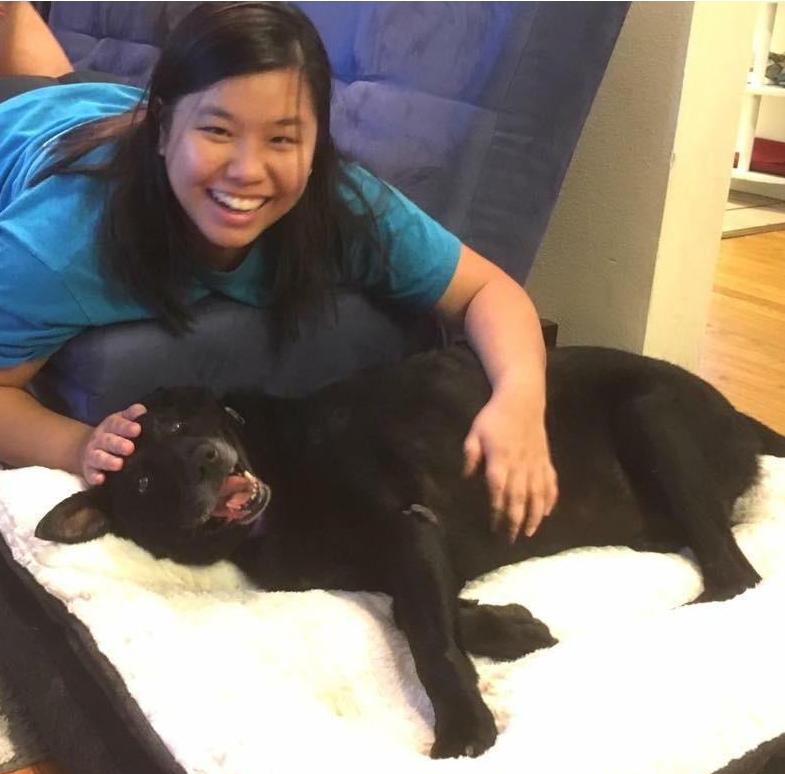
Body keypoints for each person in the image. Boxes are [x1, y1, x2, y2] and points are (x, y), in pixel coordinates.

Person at [0, 2, 558, 543]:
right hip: (25, 126)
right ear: (166, 132)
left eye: (282, 139)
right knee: (45, 88)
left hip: (98, 107)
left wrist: (520, 400)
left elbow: (488, 289)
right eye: (218, 131)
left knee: (61, 81)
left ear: (317, 146)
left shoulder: (345, 207)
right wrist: (76, 446)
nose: (248, 171)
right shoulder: (60, 242)